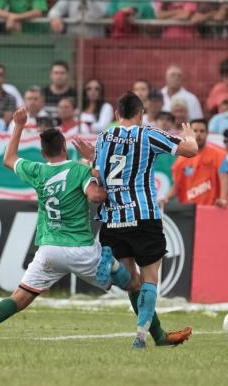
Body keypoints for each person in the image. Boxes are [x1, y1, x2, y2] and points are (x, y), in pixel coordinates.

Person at [0, 107, 131, 345]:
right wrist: (95, 167)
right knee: (131, 283)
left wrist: (18, 125)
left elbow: (8, 159)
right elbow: (96, 197)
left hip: (49, 250)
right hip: (81, 249)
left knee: (21, 297)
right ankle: (151, 329)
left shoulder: (37, 171)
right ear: (64, 147)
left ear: (43, 153)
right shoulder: (78, 170)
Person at [88, 91, 197, 348]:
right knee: (149, 279)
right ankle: (140, 335)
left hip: (113, 219)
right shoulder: (148, 133)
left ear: (116, 114)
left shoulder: (103, 137)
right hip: (143, 216)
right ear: (141, 114)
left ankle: (114, 269)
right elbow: (190, 150)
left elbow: (96, 173)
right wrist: (189, 135)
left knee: (131, 283)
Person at [162, 118, 228, 207]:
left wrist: (223, 199)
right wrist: (166, 198)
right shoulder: (181, 160)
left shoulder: (220, 155)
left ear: (207, 133)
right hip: (189, 211)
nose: (198, 134)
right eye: (195, 131)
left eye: (202, 131)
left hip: (211, 208)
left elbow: (224, 178)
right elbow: (176, 186)